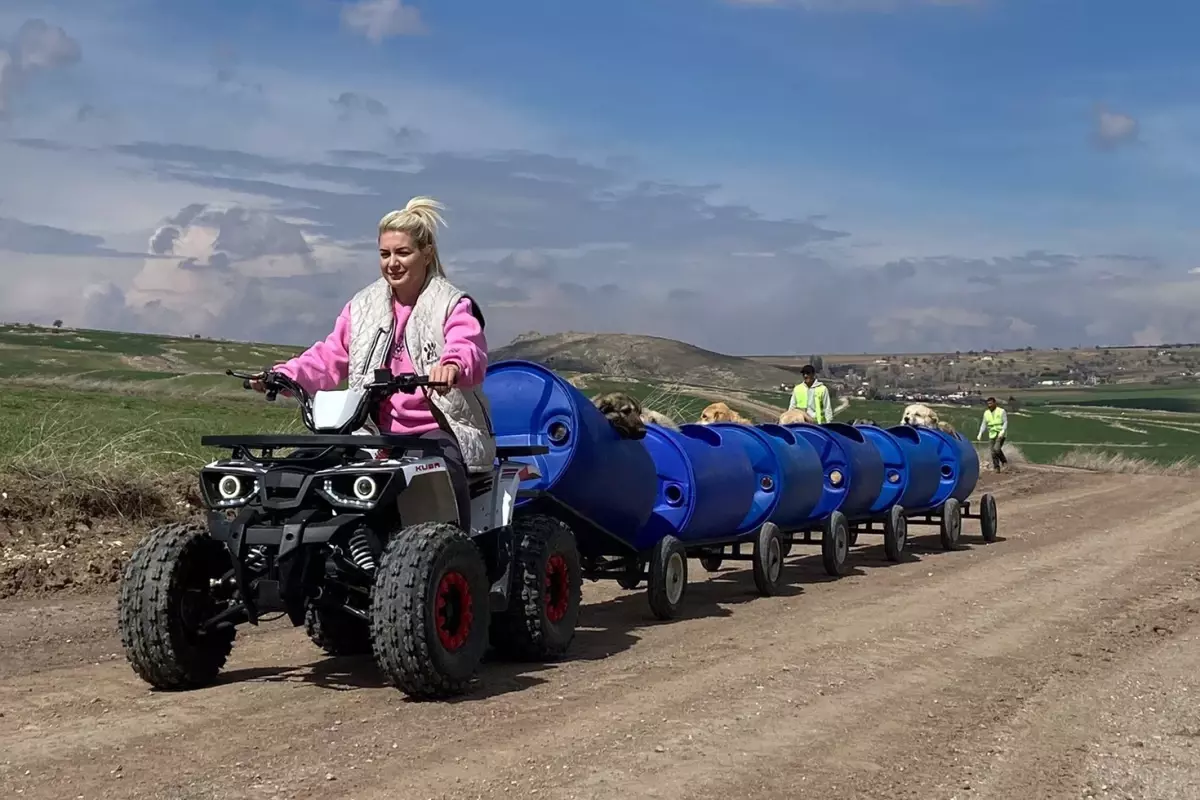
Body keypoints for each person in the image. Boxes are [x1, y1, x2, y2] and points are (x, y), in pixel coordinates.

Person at [253, 196, 494, 530]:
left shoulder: (452, 304)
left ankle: (457, 558)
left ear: (426, 254)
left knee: (439, 476)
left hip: (437, 429)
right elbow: (329, 356)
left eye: (402, 253)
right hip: (371, 432)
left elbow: (468, 347)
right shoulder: (363, 306)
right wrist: (283, 376)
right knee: (305, 471)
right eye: (385, 254)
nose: (392, 263)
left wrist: (451, 365)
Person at [977, 396, 1008, 471]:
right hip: (992, 433)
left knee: (996, 449)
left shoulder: (1001, 411)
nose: (989, 405)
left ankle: (1004, 462)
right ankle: (996, 467)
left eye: (991, 403)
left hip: (1000, 433)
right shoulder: (986, 413)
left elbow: (1005, 422)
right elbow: (984, 424)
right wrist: (980, 433)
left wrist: (1003, 431)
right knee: (992, 452)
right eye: (988, 404)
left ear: (995, 403)